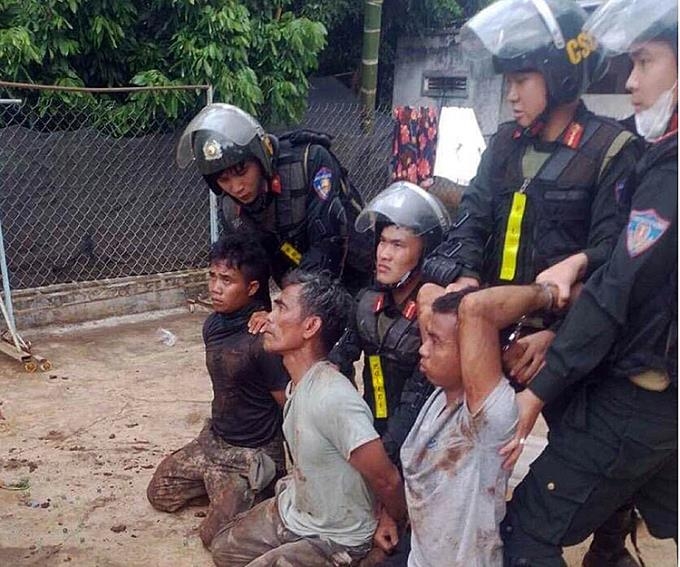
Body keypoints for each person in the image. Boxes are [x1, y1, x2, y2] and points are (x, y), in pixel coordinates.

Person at [500, 0, 678, 565]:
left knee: (526, 531)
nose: (630, 82)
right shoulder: (652, 156)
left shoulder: (663, 168)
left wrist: (540, 389)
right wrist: (580, 263)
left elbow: (620, 286)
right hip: (657, 390)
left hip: (637, 393)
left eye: (645, 63)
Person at [420, 0, 641, 386]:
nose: (511, 96)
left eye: (521, 81)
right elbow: (471, 219)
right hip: (487, 325)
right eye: (509, 83)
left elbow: (611, 259)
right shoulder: (505, 143)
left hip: (559, 343)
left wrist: (558, 337)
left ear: (562, 78)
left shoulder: (612, 149)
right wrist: (466, 277)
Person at [210, 270, 407, 566]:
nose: (269, 318)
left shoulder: (334, 398)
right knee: (221, 548)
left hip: (336, 535)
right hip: (298, 511)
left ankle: (364, 558)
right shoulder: (298, 384)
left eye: (282, 308)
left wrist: (392, 520)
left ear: (311, 326)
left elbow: (387, 479)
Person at [394, 282, 560, 566]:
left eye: (436, 341)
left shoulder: (487, 419)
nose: (423, 349)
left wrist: (548, 294)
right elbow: (428, 294)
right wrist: (464, 289)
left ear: (472, 350)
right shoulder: (442, 394)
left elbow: (476, 309)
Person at [146, 234, 289, 547]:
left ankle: (256, 488)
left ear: (251, 288)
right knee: (160, 493)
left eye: (227, 280)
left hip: (252, 453)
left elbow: (288, 406)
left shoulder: (264, 341)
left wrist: (297, 472)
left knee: (214, 538)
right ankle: (222, 487)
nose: (215, 287)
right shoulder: (212, 324)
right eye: (212, 276)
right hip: (215, 442)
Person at [176, 103, 372, 294]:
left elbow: (328, 243)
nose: (236, 187)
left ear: (261, 158)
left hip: (360, 269)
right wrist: (257, 314)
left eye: (242, 171)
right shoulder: (231, 209)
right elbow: (248, 271)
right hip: (297, 272)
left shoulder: (308, 162)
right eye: (223, 179)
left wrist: (297, 305)